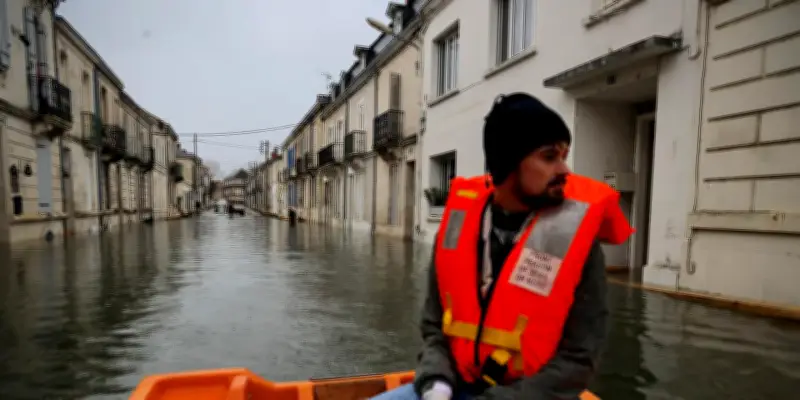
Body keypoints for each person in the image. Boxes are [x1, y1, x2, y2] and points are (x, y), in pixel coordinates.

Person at [371, 93, 633, 400]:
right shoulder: (457, 228)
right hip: (456, 386)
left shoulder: (578, 243)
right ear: (509, 163)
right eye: (549, 157)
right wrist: (436, 382)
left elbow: (579, 360)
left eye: (564, 155)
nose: (564, 169)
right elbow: (434, 328)